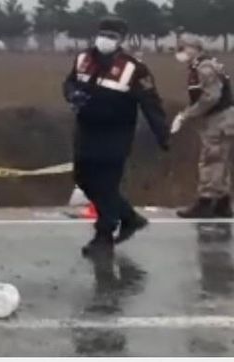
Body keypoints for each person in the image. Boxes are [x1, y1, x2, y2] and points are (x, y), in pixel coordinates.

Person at [63, 16, 170, 256]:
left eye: (112, 36)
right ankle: (129, 217)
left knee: (107, 183)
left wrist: (162, 133)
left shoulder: (134, 68)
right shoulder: (83, 59)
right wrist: (72, 95)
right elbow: (68, 83)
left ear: (121, 40)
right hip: (86, 131)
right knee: (83, 179)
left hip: (116, 134)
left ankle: (104, 235)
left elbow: (151, 103)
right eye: (103, 34)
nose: (105, 40)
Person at [172, 34, 234, 219]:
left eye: (183, 48)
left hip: (219, 119)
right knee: (219, 160)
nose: (180, 52)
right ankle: (222, 202)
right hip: (219, 118)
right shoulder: (200, 66)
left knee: (211, 159)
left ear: (194, 48)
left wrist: (186, 115)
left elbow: (211, 97)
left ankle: (206, 201)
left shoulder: (204, 67)